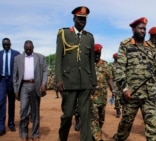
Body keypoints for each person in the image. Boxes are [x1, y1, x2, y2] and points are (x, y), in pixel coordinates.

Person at [112, 17, 156, 141]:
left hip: (149, 93)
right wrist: (124, 89)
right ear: (133, 29)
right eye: (140, 28)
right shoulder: (125, 45)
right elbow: (120, 68)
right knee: (125, 125)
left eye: (144, 29)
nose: (143, 31)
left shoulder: (150, 47)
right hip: (131, 93)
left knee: (153, 127)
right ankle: (119, 138)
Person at [55, 5, 97, 141]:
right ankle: (62, 138)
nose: (82, 22)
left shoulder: (89, 37)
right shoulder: (64, 33)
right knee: (67, 115)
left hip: (85, 82)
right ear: (74, 18)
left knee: (85, 116)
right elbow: (58, 59)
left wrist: (93, 82)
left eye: (84, 19)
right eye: (79, 19)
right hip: (68, 81)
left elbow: (91, 62)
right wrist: (58, 79)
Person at [13, 40, 48, 141]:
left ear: (33, 48)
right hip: (23, 86)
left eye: (30, 49)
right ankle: (23, 133)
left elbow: (45, 71)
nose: (28, 51)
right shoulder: (18, 58)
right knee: (23, 110)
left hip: (35, 86)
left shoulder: (40, 57)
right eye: (26, 49)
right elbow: (15, 76)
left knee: (35, 111)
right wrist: (16, 89)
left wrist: (43, 84)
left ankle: (35, 134)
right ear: (24, 48)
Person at [91, 43, 115, 141]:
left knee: (101, 118)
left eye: (99, 53)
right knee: (93, 118)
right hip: (91, 97)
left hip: (103, 97)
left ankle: (95, 134)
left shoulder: (105, 64)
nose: (97, 56)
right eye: (95, 53)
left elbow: (109, 78)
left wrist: (113, 89)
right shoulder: (87, 65)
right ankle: (98, 138)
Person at [0, 38, 20, 136]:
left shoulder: (16, 54)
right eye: (4, 45)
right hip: (2, 80)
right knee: (1, 102)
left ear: (10, 44)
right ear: (2, 45)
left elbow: (20, 67)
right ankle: (1, 126)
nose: (6, 46)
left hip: (12, 81)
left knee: (12, 103)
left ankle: (11, 124)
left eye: (8, 44)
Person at [111, 52, 122, 118]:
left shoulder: (122, 65)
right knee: (117, 98)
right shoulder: (111, 65)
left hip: (122, 82)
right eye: (116, 57)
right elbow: (110, 76)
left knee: (124, 98)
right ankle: (118, 110)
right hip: (115, 83)